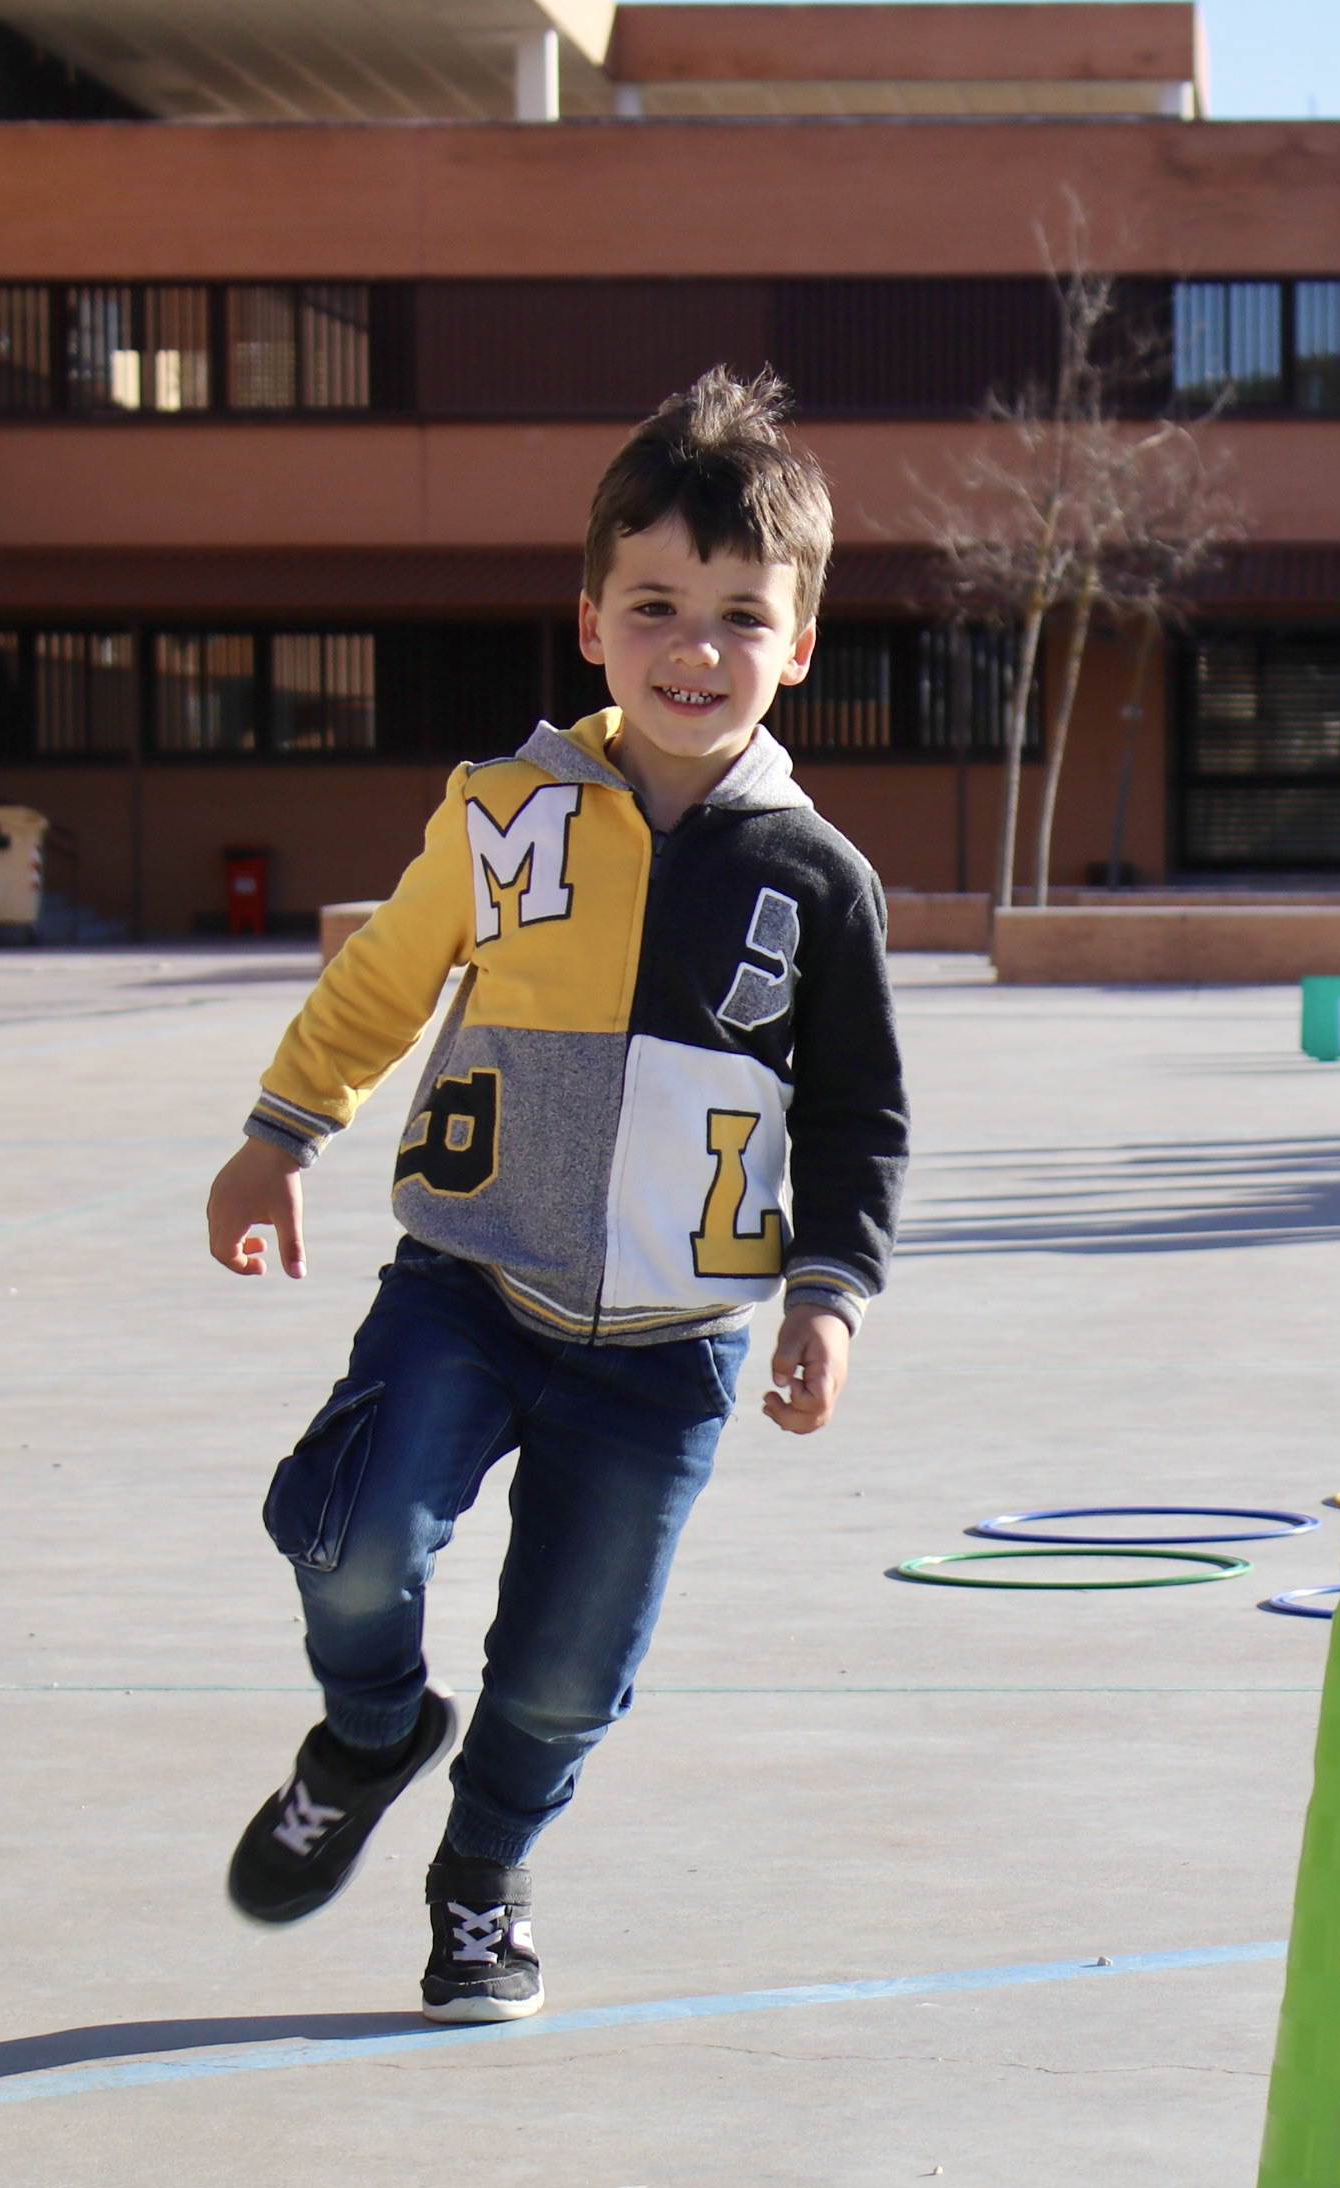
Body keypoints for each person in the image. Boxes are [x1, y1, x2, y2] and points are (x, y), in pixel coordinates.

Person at [196, 369, 907, 2025]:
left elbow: (860, 1110)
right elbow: (384, 976)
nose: (692, 647)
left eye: (738, 616)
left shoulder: (816, 883)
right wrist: (278, 1129)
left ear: (797, 645)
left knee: (570, 1668)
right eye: (653, 604)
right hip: (464, 1279)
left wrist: (828, 1293)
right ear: (589, 619)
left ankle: (479, 1889)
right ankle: (370, 1728)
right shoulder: (505, 812)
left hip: (668, 1347)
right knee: (355, 1538)